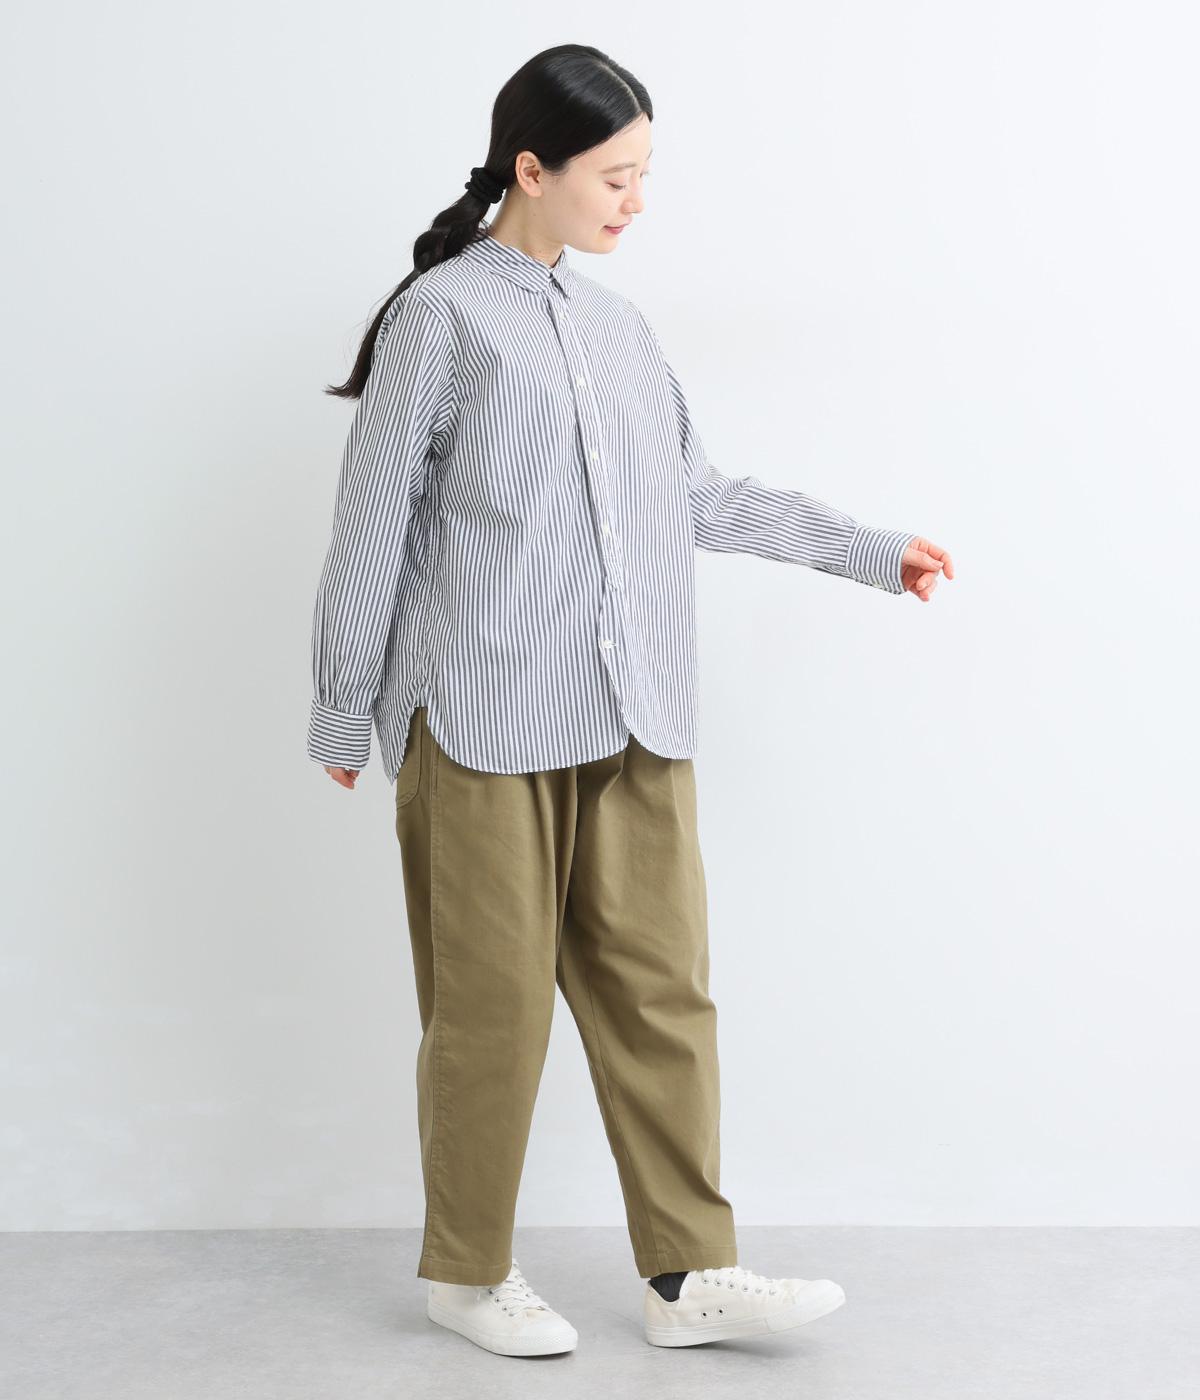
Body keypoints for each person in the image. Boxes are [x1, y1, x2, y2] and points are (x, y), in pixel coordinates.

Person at [306, 43, 953, 1359]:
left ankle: (689, 1274)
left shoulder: (619, 330)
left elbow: (695, 495)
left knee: (665, 996)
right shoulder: (441, 316)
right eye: (616, 175)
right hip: (483, 715)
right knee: (493, 1012)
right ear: (531, 169)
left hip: (639, 711)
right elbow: (373, 520)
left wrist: (870, 550)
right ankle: (467, 1273)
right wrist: (343, 706)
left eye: (646, 174)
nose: (637, 201)